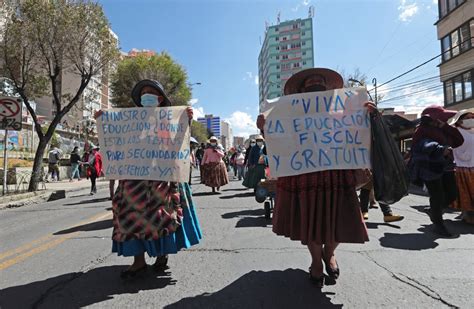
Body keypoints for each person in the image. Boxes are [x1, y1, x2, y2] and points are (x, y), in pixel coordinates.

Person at [257, 68, 370, 288]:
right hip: (304, 175)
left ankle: (330, 253)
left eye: (320, 83)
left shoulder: (343, 113)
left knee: (339, 217)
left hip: (337, 173)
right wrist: (265, 127)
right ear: (301, 92)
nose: (315, 85)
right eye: (310, 84)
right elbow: (279, 140)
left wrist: (368, 115)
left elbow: (358, 133)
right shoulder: (291, 116)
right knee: (310, 219)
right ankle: (316, 261)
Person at [97, 79, 201, 279]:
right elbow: (116, 146)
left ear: (160, 99)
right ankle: (138, 261)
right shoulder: (128, 122)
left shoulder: (167, 122)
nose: (147, 95)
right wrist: (104, 122)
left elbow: (176, 146)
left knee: (162, 217)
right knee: (129, 217)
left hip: (160, 179)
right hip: (133, 180)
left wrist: (185, 121)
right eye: (144, 92)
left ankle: (162, 255)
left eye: (151, 92)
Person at [409, 105, 464, 237]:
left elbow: (459, 141)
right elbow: (420, 146)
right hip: (430, 168)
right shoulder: (421, 130)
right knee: (437, 195)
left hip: (447, 166)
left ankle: (434, 211)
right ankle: (438, 224)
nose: (443, 120)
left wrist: (445, 127)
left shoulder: (444, 129)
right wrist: (439, 149)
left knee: (452, 194)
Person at [449, 109, 474, 224]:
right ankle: (467, 215)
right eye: (468, 118)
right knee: (466, 193)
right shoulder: (456, 132)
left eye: (472, 117)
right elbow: (457, 149)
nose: (471, 120)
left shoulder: (472, 131)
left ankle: (466, 214)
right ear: (459, 121)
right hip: (465, 167)